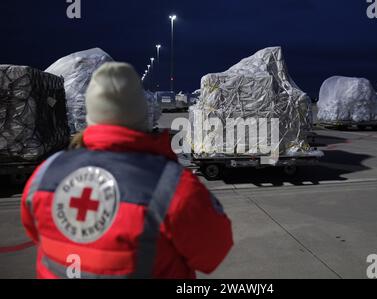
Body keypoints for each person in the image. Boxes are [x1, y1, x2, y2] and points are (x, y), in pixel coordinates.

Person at [21, 62, 233, 279]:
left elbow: (36, 232)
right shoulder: (172, 187)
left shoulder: (45, 173)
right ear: (142, 112)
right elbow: (214, 251)